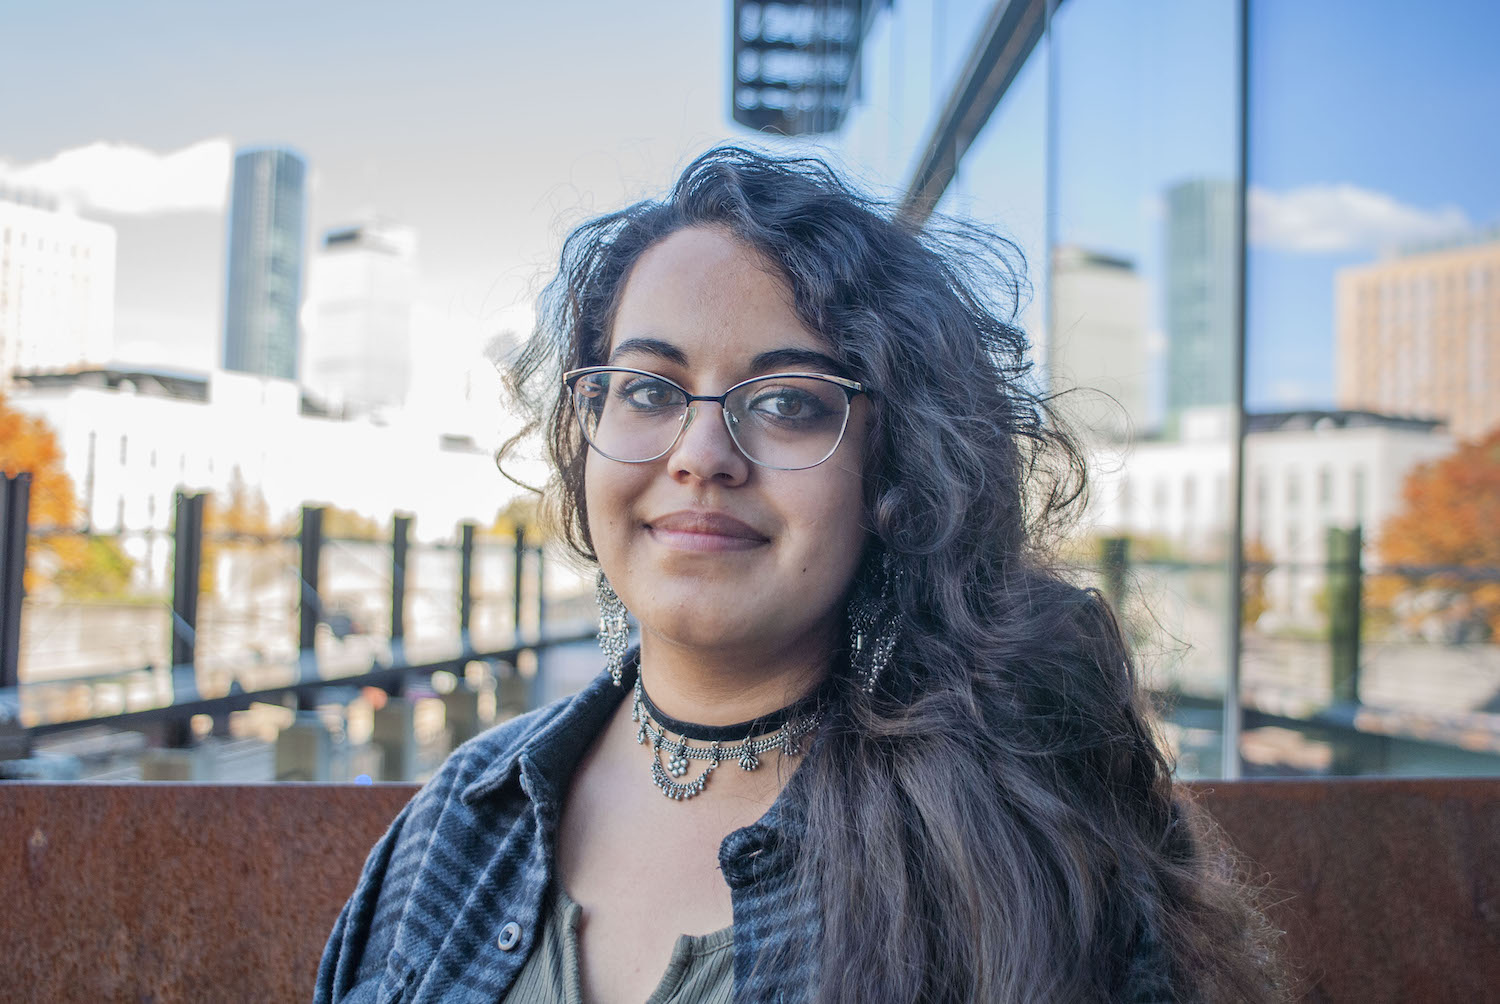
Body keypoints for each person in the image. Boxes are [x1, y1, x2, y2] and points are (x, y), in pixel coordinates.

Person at [316, 146, 1284, 1003]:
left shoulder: (1013, 838)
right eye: (649, 388)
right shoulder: (462, 812)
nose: (701, 454)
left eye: (787, 403)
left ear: (893, 472)